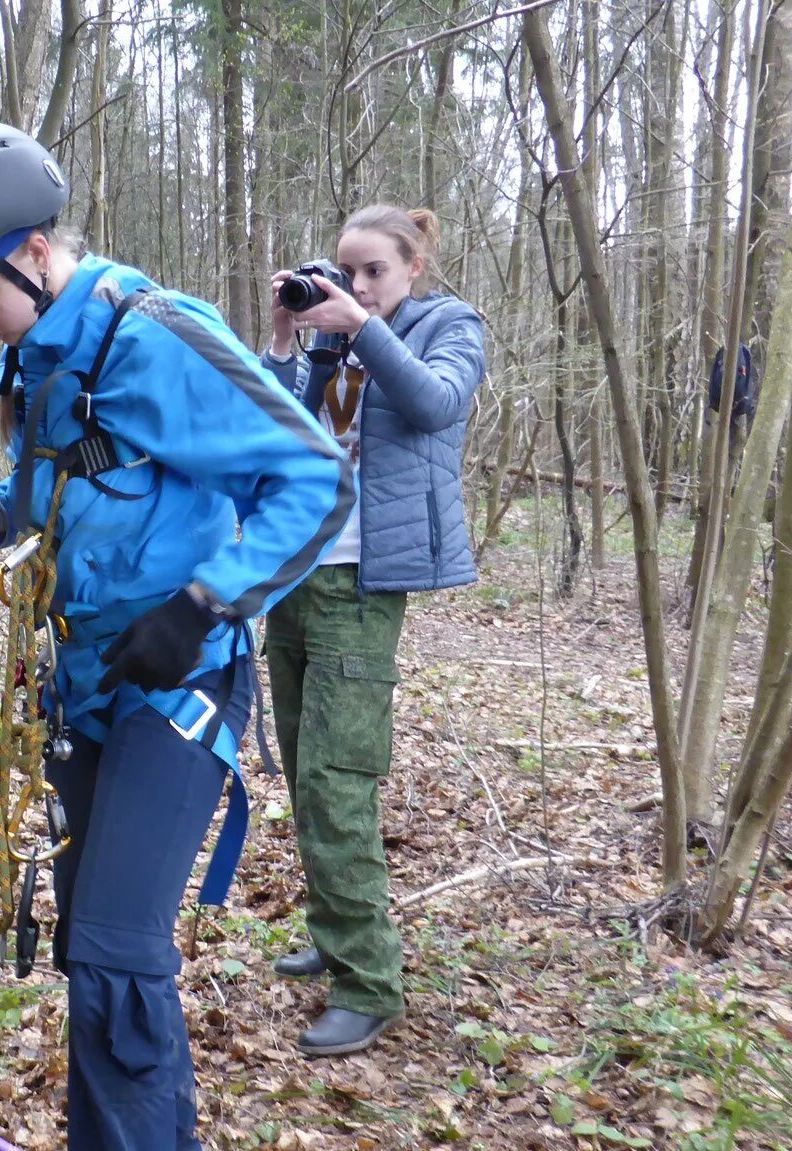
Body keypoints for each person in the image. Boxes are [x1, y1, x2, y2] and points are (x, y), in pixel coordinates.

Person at [0, 122, 353, 1151]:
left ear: (35, 251)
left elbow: (314, 476)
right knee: (90, 950)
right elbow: (80, 473)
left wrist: (203, 603)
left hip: (177, 681)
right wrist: (5, 510)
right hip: (87, 680)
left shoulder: (152, 336)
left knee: (114, 948)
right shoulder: (40, 354)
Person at [258, 205, 488, 1056]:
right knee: (299, 761)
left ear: (413, 267)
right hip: (297, 571)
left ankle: (368, 981)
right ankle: (335, 932)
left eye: (373, 273)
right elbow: (271, 429)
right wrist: (288, 338)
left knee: (335, 775)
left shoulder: (449, 326)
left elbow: (434, 403)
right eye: (344, 273)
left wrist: (362, 328)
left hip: (364, 581)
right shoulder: (332, 337)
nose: (355, 287)